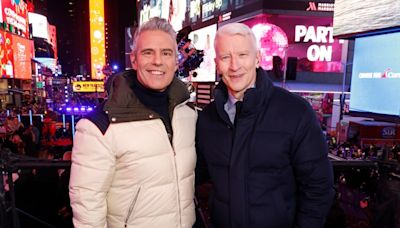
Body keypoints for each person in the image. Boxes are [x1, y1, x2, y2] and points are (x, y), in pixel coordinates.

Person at [195, 22, 334, 228]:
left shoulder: (295, 112)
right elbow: (194, 175)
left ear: (258, 58)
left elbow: (318, 188)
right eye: (226, 57)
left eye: (243, 55)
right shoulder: (207, 118)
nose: (234, 66)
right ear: (217, 63)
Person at [69, 17, 197, 228]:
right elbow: (87, 205)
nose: (157, 61)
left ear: (176, 61)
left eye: (166, 53)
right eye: (148, 52)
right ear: (134, 60)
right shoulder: (101, 125)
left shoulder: (187, 113)